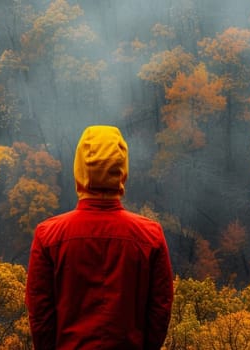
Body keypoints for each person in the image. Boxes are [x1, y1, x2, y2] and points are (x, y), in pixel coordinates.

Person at [26, 125, 174, 349]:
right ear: (122, 171)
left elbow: (40, 315)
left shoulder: (48, 236)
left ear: (79, 169)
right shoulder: (150, 236)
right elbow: (160, 311)